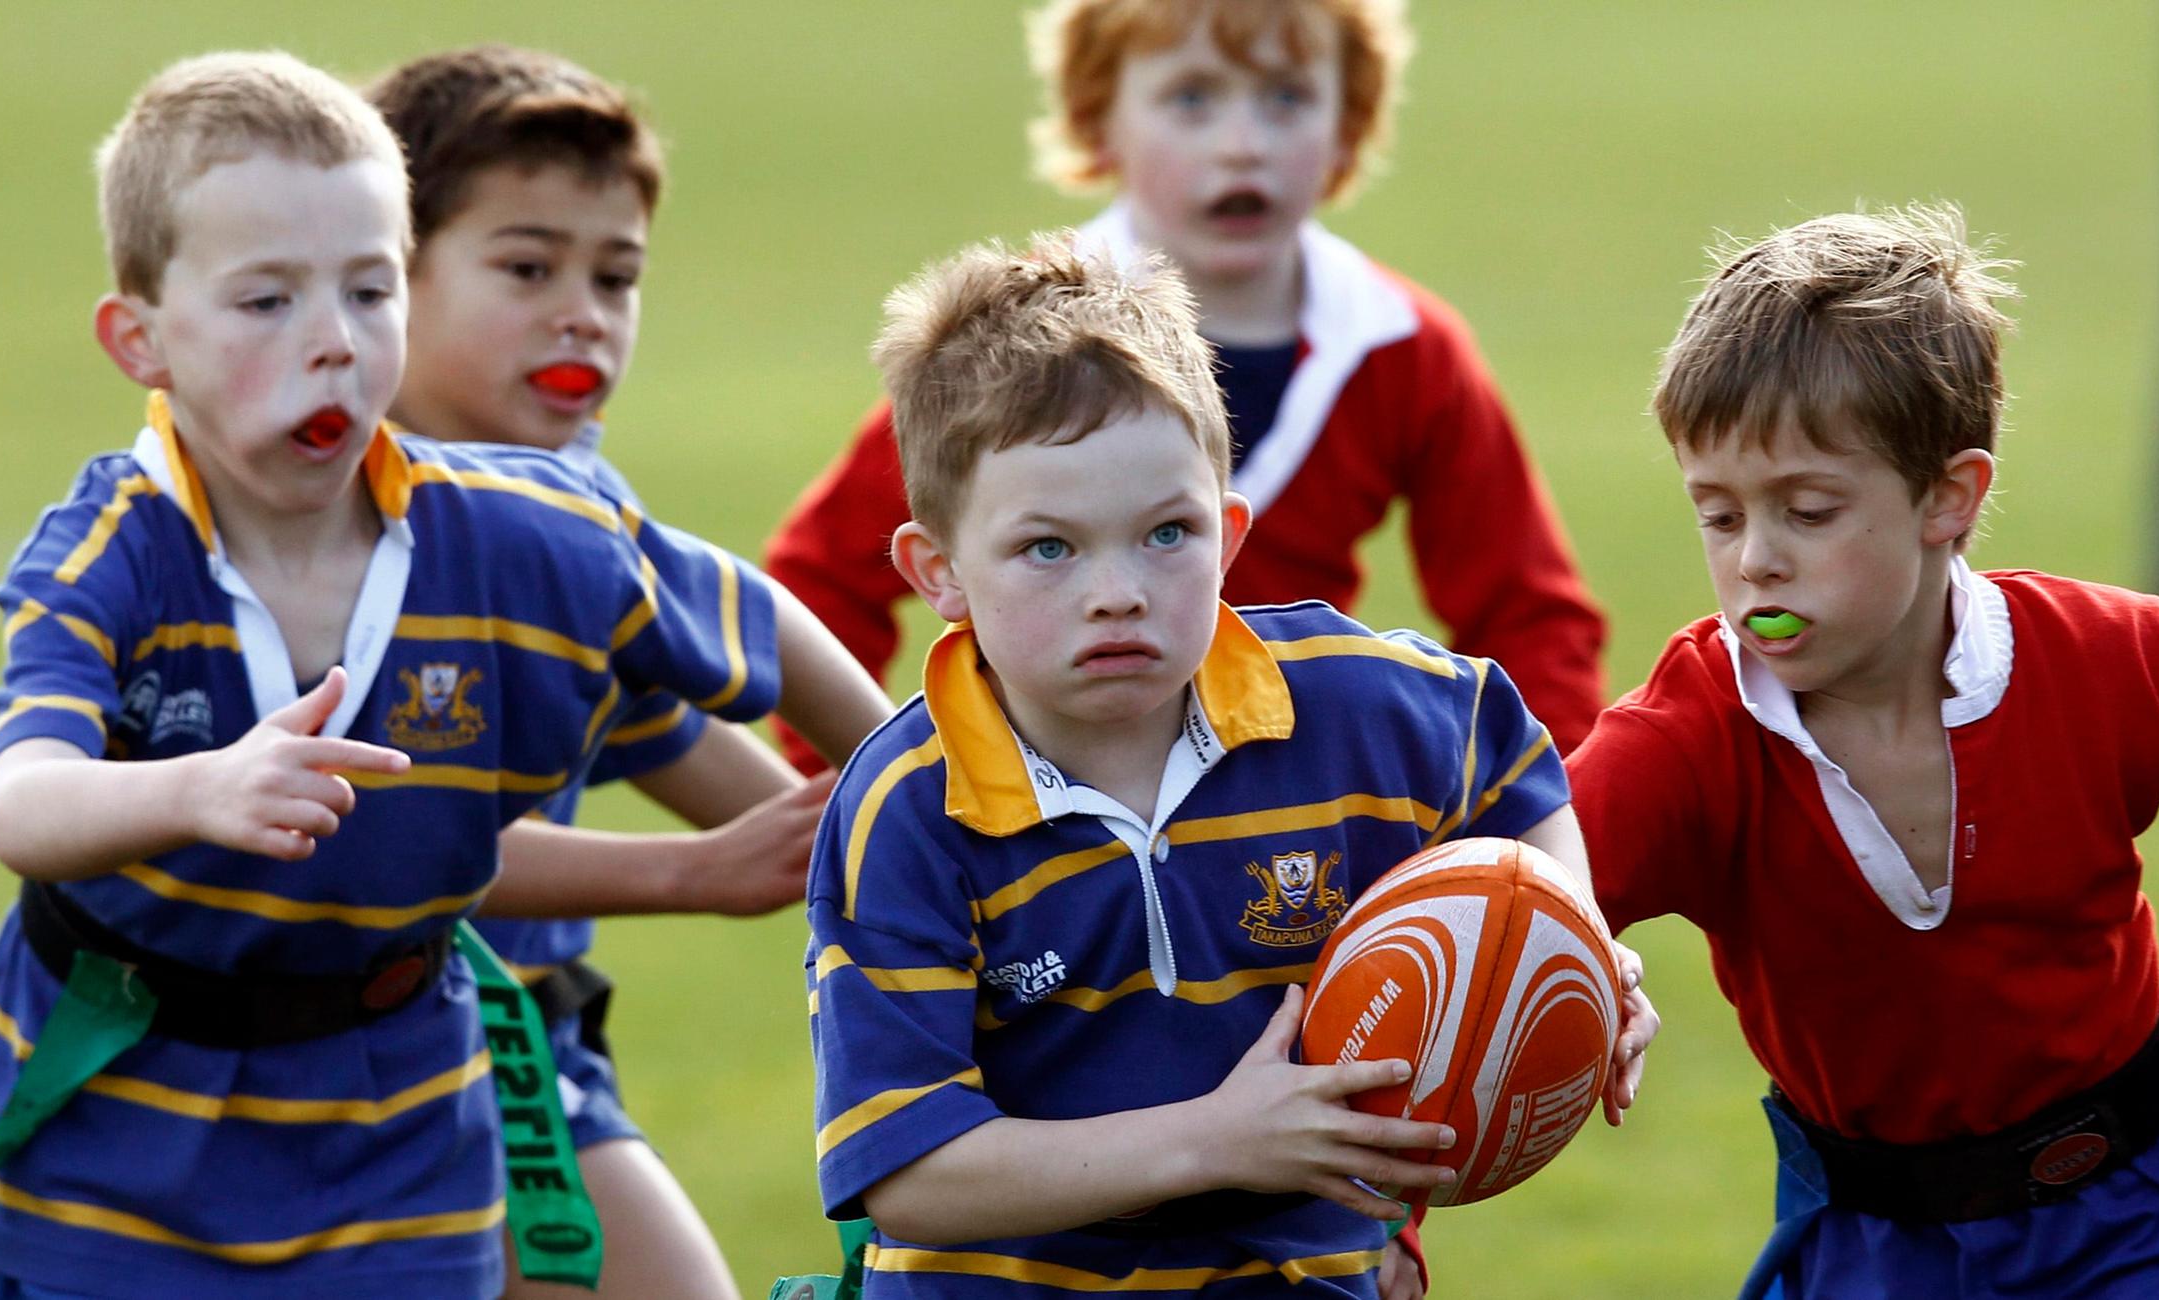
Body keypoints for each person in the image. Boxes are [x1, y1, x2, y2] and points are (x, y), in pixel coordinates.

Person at [0, 51, 881, 1298]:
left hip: (405, 1103)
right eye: (266, 300)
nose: (331, 342)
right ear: (141, 338)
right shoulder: (113, 552)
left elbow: (747, 632)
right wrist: (199, 789)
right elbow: (24, 802)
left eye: (366, 291)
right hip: (122, 1137)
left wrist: (911, 812)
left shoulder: (525, 531)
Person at [1571, 205, 2159, 1297]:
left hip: (2157, 1217)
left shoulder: (2105, 661)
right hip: (1870, 1250)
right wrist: (1579, 968)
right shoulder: (1692, 740)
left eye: (1808, 509)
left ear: (1947, 498)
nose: (1756, 562)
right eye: (1719, 517)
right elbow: (1509, 897)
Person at [802, 232, 1655, 1299]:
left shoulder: (1345, 707)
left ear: (1230, 531)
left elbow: (1511, 768)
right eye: (1049, 549)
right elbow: (912, 1171)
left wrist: (1570, 946)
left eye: (1166, 534)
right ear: (940, 572)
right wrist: (1216, 1138)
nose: (1116, 590)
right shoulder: (909, 810)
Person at [765, 0, 1606, 769]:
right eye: (1192, 99)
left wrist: (1541, 827)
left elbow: (1530, 616)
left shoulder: (1403, 349)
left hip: (1302, 826)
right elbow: (823, 578)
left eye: (1287, 98)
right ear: (1100, 123)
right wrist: (861, 785)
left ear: (1348, 128)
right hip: (1056, 834)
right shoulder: (1012, 347)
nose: (1244, 141)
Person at [369, 45, 859, 1299]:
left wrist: (892, 837)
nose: (581, 310)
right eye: (527, 268)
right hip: (335, 1058)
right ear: (382, 277)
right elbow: (389, 841)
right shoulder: (330, 516)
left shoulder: (575, 505)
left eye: (615, 274)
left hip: (520, 1049)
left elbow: (653, 730)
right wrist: (696, 873)